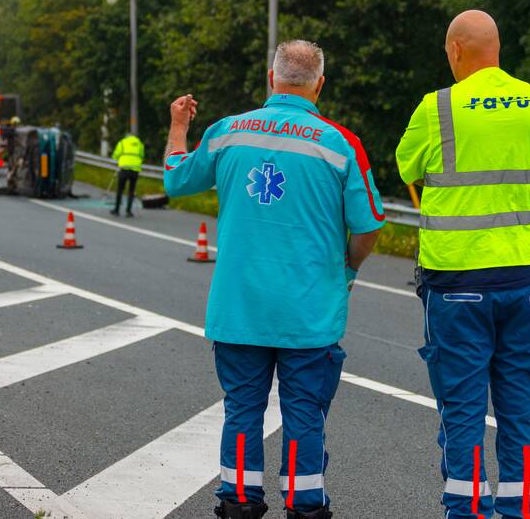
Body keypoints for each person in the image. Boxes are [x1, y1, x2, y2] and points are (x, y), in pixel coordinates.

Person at [163, 40, 385, 519]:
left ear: (271, 78)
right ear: (320, 85)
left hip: (239, 308)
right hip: (310, 311)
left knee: (242, 408)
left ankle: (239, 502)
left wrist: (179, 127)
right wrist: (345, 270)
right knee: (305, 411)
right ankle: (306, 505)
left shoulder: (227, 133)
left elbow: (176, 180)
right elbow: (369, 226)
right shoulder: (341, 145)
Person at [396, 10, 530, 519]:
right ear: (498, 48)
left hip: (458, 280)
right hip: (528, 277)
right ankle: (524, 510)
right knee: (520, 408)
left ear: (456, 51)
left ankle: (466, 510)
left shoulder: (438, 106)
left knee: (463, 407)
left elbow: (407, 165)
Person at [111, 132, 144, 217]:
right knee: (131, 191)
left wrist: (118, 159)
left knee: (120, 190)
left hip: (124, 168)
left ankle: (116, 210)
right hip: (135, 169)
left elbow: (115, 155)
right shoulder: (139, 143)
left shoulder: (122, 142)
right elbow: (142, 156)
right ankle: (128, 211)